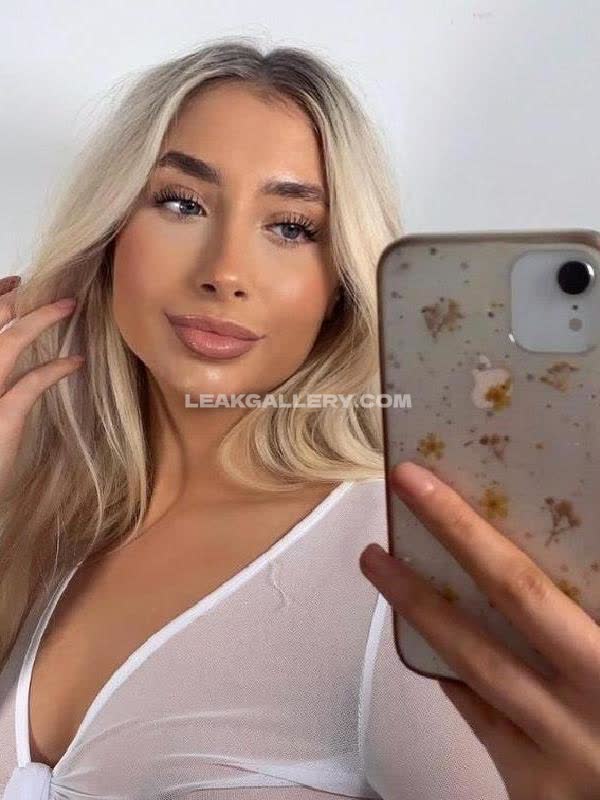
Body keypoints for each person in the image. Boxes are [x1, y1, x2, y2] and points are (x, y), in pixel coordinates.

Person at [0, 35, 556, 800]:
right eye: (182, 203)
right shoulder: (43, 519)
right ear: (110, 235)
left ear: (340, 285)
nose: (225, 272)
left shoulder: (398, 566)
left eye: (292, 226)